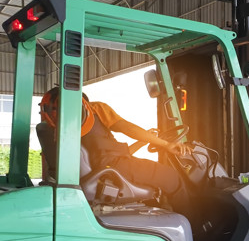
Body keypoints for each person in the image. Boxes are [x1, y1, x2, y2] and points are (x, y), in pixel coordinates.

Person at [40, 86, 195, 223]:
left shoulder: (57, 129)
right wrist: (167, 145)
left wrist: (145, 141)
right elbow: (126, 127)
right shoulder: (95, 109)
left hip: (107, 170)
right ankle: (194, 229)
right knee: (172, 177)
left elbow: (112, 156)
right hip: (115, 168)